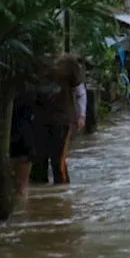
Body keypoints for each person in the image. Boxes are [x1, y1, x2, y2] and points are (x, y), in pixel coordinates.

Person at [30, 53, 86, 185]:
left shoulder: (68, 63)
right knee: (38, 163)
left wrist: (81, 115)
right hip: (38, 120)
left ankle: (62, 195)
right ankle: (42, 199)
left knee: (58, 162)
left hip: (62, 120)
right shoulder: (34, 61)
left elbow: (80, 92)